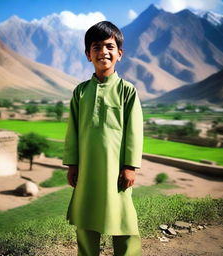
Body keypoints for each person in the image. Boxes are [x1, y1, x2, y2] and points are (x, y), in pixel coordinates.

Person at [63, 21, 143, 256]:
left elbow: (134, 130)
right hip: (87, 169)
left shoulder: (127, 90)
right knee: (86, 218)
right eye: (96, 47)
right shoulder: (80, 92)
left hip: (117, 170)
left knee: (124, 220)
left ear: (120, 53)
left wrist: (130, 166)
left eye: (109, 46)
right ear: (88, 54)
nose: (103, 52)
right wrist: (73, 164)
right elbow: (73, 131)